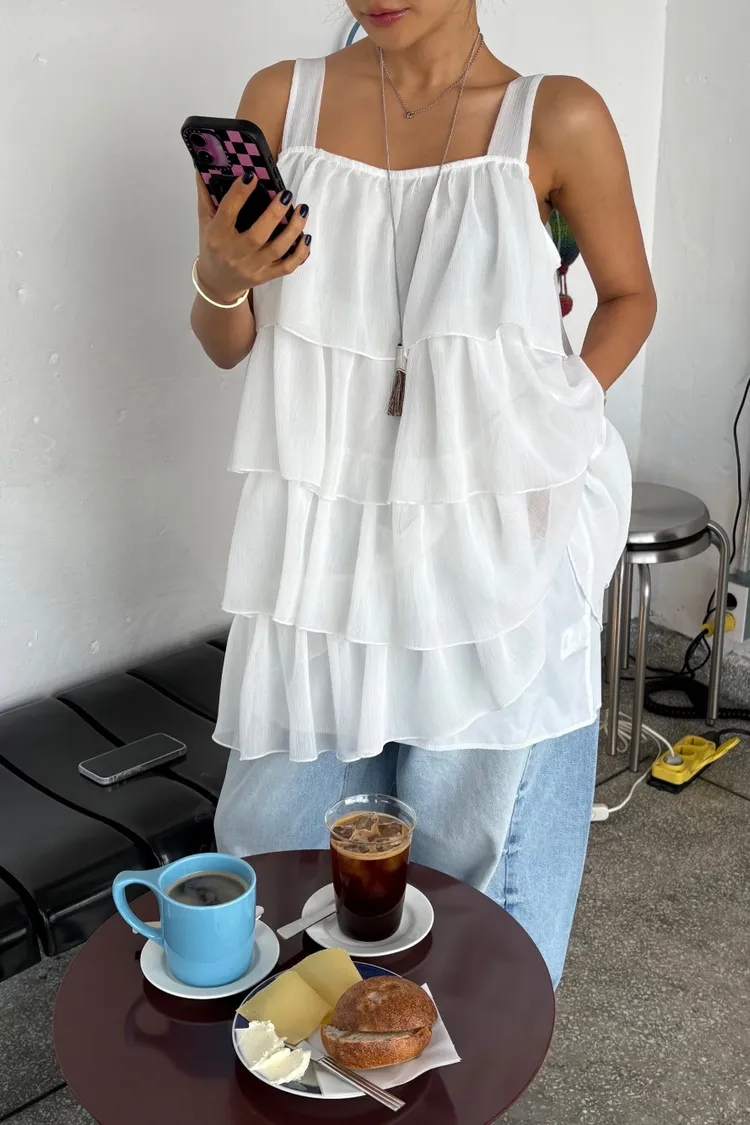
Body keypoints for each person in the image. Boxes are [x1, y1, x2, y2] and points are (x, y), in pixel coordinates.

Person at [191, 0, 656, 988]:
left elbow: (630, 296)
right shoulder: (280, 102)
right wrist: (220, 276)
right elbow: (227, 340)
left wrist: (557, 416)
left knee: (474, 895)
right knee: (278, 874)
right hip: (322, 559)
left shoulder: (556, 117)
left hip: (494, 557)